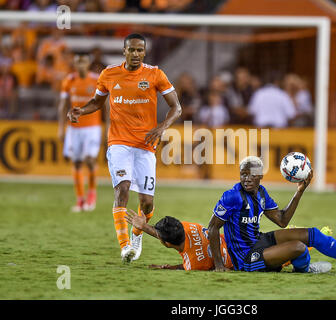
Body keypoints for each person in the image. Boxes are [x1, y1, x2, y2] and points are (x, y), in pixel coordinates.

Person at [68, 33, 182, 264]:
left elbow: (176, 107)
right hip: (118, 143)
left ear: (144, 52)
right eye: (132, 50)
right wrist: (82, 110)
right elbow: (98, 102)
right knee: (122, 189)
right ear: (124, 51)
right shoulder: (109, 74)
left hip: (146, 145)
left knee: (147, 202)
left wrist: (162, 127)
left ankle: (137, 234)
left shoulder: (154, 74)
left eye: (140, 50)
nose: (136, 54)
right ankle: (125, 247)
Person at [208, 156, 336, 273]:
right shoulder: (232, 196)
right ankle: (305, 269)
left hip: (258, 241)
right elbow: (213, 227)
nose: (246, 179)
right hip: (245, 257)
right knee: (298, 247)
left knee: (311, 233)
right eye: (243, 174)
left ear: (260, 175)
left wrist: (299, 191)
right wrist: (219, 265)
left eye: (251, 175)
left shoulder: (261, 193)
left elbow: (282, 220)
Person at [58, 53, 105, 212]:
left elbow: (105, 105)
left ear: (88, 64)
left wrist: (109, 127)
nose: (80, 65)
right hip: (74, 128)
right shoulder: (69, 80)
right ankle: (80, 200)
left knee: (90, 159)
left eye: (83, 62)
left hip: (92, 127)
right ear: (75, 65)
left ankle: (92, 194)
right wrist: (61, 128)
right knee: (77, 162)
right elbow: (63, 105)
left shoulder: (97, 80)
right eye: (78, 63)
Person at [125, 209, 233, 270]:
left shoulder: (193, 265)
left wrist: (166, 268)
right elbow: (164, 234)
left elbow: (186, 265)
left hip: (236, 261)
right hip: (234, 241)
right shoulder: (188, 226)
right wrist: (143, 226)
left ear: (167, 244)